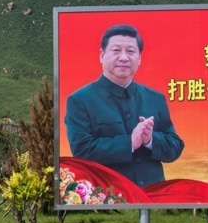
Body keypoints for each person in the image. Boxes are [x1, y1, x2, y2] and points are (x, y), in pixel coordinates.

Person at [64, 24, 184, 187]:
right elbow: (82, 151)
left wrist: (150, 139)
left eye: (130, 51)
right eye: (116, 50)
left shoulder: (155, 98)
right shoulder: (80, 100)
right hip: (109, 198)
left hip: (154, 196)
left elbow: (174, 147)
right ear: (102, 55)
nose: (123, 57)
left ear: (139, 58)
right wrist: (130, 143)